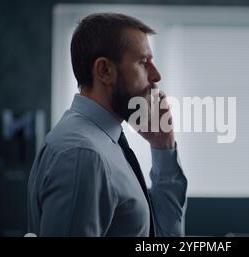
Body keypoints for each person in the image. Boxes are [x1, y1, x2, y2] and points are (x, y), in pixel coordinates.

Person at [27, 13, 187, 237]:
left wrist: (163, 147)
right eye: (143, 63)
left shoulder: (104, 144)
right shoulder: (83, 155)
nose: (156, 75)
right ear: (104, 71)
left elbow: (162, 237)